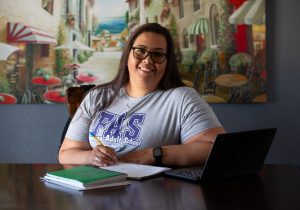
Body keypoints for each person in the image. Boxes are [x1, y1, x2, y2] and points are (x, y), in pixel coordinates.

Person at [59, 23, 225, 167]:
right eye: (140, 51)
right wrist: (91, 156)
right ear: (127, 56)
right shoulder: (95, 97)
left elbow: (215, 148)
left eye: (158, 54)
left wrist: (153, 154)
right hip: (97, 193)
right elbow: (66, 153)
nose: (147, 60)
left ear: (167, 63)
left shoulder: (182, 98)